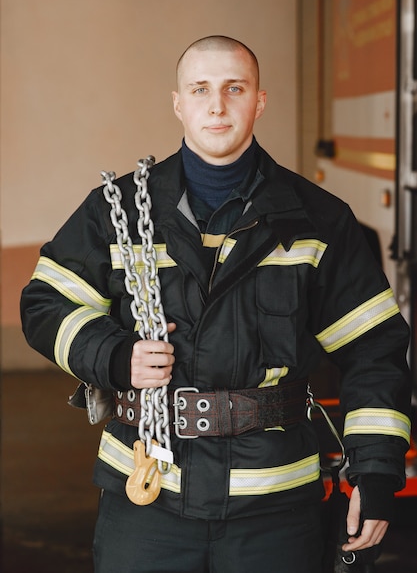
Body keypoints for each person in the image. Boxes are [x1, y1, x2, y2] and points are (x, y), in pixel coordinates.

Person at [20, 35, 411, 573]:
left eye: (235, 88)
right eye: (200, 89)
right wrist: (114, 356)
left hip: (274, 508)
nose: (217, 104)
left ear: (259, 100)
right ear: (178, 102)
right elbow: (46, 302)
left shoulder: (318, 221)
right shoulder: (118, 212)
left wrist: (376, 472)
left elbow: (374, 351)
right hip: (147, 499)